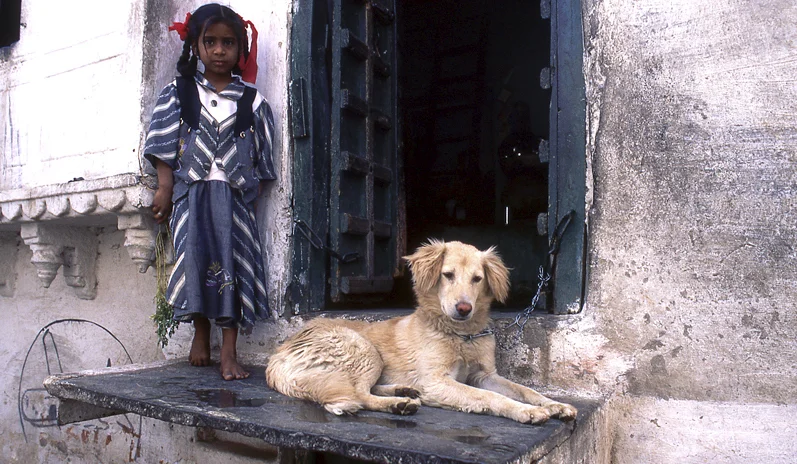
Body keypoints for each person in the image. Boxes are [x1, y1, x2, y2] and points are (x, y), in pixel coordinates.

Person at [142, 3, 276, 380]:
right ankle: (200, 336)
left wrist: (245, 194)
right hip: (192, 197)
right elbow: (164, 145)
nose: (219, 51)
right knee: (195, 259)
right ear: (196, 47)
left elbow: (263, 161)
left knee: (232, 266)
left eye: (229, 43)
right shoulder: (180, 93)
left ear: (240, 50)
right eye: (211, 42)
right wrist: (165, 188)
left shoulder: (252, 102)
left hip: (233, 203)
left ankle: (229, 351)